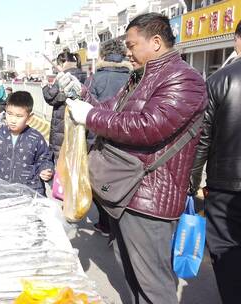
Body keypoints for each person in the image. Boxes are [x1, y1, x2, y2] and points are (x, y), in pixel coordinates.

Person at [60, 13, 207, 303]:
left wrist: (90, 115)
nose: (127, 52)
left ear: (155, 42)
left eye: (131, 45)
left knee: (153, 284)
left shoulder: (183, 79)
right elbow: (110, 112)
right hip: (126, 191)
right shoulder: (138, 78)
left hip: (150, 199)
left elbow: (148, 127)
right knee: (132, 274)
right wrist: (83, 96)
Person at [189, 14, 241, 303]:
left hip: (228, 187)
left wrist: (192, 181)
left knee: (228, 254)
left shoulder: (219, 79)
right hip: (231, 185)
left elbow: (203, 139)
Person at [85, 39, 132, 237]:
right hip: (125, 137)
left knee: (98, 180)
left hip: (98, 137)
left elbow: (88, 107)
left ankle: (105, 223)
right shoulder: (133, 77)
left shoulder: (96, 78)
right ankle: (118, 224)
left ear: (103, 55)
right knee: (122, 180)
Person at [0, 91, 54, 196]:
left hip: (30, 195)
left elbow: (45, 159)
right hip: (3, 195)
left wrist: (46, 170)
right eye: (9, 114)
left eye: (19, 116)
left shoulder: (36, 138)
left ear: (29, 117)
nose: (13, 120)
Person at [42, 49, 87, 162]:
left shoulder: (63, 77)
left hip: (62, 123)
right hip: (80, 123)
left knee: (60, 159)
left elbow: (50, 97)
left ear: (62, 63)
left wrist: (45, 87)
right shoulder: (84, 76)